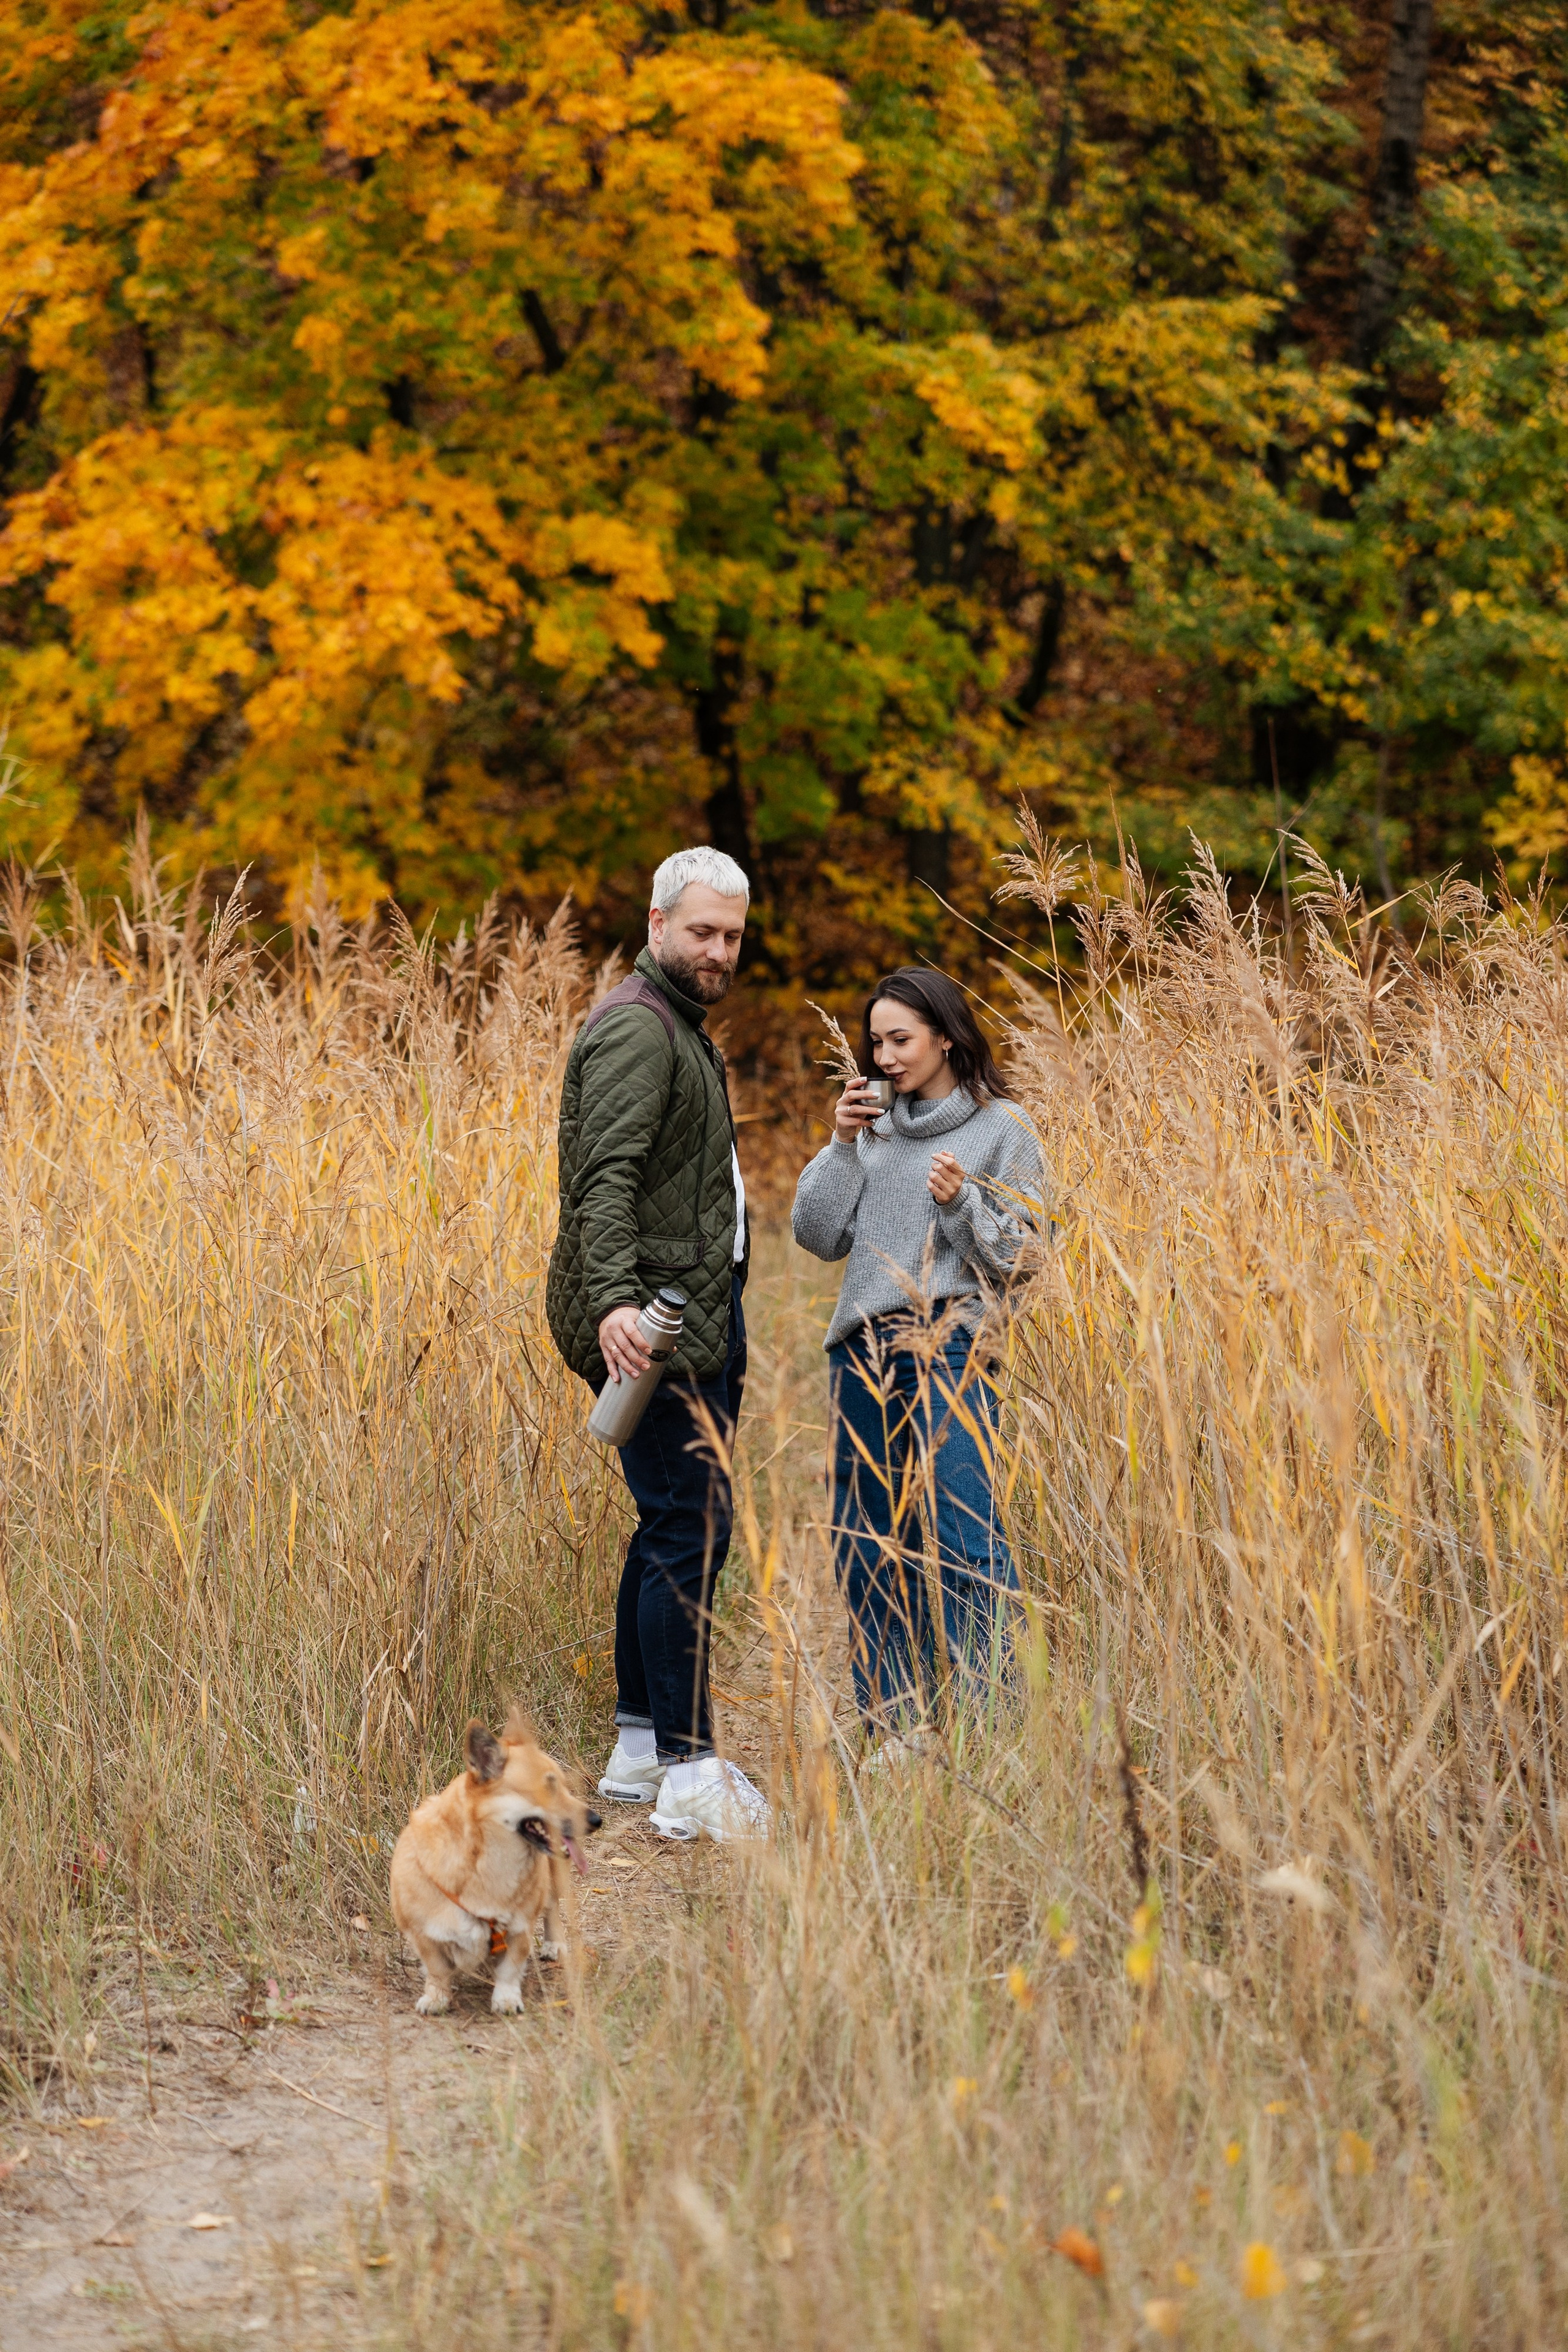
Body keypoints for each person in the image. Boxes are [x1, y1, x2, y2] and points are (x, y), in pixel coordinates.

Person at [546, 848, 769, 1842]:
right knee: (690, 1530)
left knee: (673, 1520)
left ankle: (641, 1747)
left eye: (731, 936)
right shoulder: (641, 1029)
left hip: (684, 1313)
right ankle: (688, 1766)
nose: (718, 951)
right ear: (657, 922)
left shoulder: (677, 1025)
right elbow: (605, 1181)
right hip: (653, 1324)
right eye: (702, 932)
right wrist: (613, 1307)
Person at [792, 970, 1045, 1757]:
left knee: (964, 1532)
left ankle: (987, 1730)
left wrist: (962, 1204)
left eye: (900, 1039)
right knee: (867, 1540)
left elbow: (1025, 1259)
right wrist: (838, 1145)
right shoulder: (870, 1133)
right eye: (877, 1041)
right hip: (862, 1351)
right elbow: (815, 1233)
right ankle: (899, 1728)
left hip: (955, 1340)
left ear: (945, 1036)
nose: (885, 1056)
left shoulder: (1004, 1129)